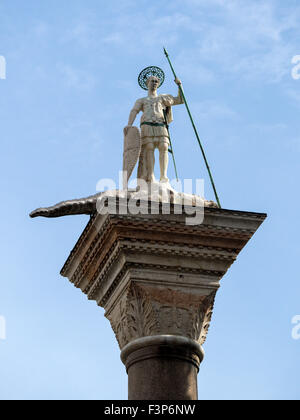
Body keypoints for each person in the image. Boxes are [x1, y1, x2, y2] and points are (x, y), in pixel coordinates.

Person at [124, 75, 183, 183]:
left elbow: (180, 100)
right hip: (147, 124)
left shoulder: (163, 98)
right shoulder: (142, 100)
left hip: (160, 124)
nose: (154, 83)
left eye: (156, 81)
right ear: (147, 83)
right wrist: (129, 124)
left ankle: (163, 176)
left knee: (164, 146)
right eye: (152, 81)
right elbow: (134, 111)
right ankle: (151, 176)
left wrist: (179, 86)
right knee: (149, 148)